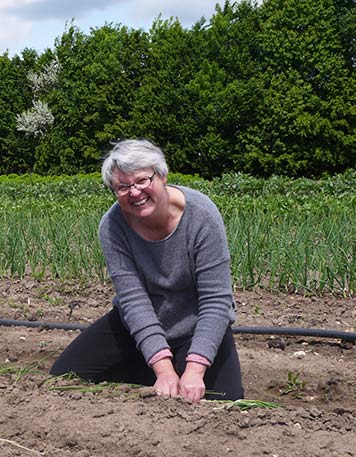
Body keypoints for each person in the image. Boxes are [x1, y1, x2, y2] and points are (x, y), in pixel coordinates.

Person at [50, 139, 243, 403]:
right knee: (64, 376)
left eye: (143, 180)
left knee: (226, 399)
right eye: (123, 186)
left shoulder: (202, 216)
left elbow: (216, 299)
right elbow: (133, 301)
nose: (135, 192)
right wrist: (162, 369)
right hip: (140, 322)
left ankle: (178, 366)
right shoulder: (113, 226)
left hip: (194, 323)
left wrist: (195, 369)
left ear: (162, 175)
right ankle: (161, 368)